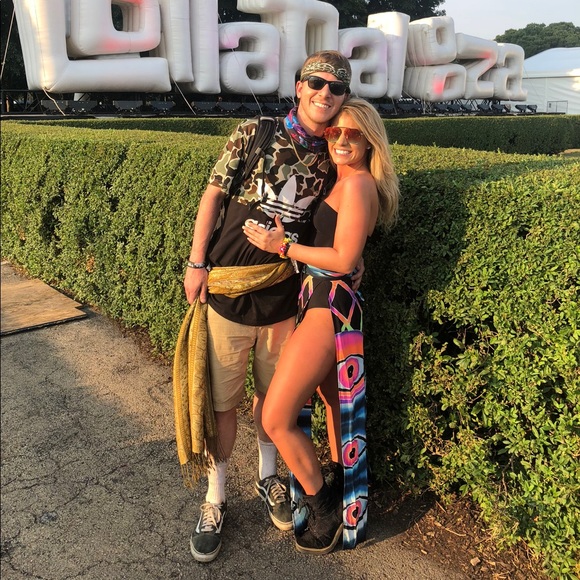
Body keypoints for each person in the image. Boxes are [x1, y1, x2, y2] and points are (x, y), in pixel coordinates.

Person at [180, 50, 362, 563]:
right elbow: (212, 198)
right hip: (228, 293)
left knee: (272, 399)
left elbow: (342, 219)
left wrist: (354, 260)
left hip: (284, 299)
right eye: (316, 82)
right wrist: (196, 263)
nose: (325, 93)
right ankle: (216, 496)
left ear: (344, 97)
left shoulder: (336, 155)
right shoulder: (255, 132)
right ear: (299, 86)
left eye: (337, 87)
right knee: (221, 403)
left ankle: (269, 479)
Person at [242, 98, 400, 554]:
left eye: (353, 134)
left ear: (370, 141)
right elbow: (345, 250)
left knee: (275, 417)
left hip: (328, 304)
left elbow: (344, 259)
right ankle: (341, 494)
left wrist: (282, 246)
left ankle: (323, 503)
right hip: (322, 299)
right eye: (335, 132)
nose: (341, 140)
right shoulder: (342, 182)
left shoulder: (359, 185)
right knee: (334, 405)